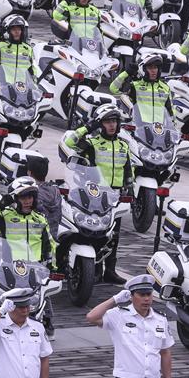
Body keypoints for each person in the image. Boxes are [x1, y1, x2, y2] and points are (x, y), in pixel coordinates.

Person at [62, 103, 132, 283]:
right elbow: (70, 142)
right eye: (108, 121)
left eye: (114, 121)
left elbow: (128, 170)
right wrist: (89, 126)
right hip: (94, 193)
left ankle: (109, 270)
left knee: (113, 235)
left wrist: (129, 187)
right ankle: (90, 267)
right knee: (91, 229)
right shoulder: (92, 144)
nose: (112, 125)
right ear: (101, 124)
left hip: (115, 195)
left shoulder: (123, 145)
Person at [0, 177, 57, 266]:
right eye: (23, 198)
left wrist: (53, 267)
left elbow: (50, 246)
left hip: (36, 269)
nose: (27, 201)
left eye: (30, 197)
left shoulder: (40, 219)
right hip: (8, 268)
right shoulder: (4, 215)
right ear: (15, 199)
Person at [110, 52, 173, 122]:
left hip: (159, 129)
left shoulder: (165, 87)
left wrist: (173, 127)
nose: (153, 71)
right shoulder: (135, 85)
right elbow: (113, 89)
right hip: (139, 128)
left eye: (155, 67)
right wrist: (126, 72)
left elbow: (171, 111)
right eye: (150, 68)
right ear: (143, 69)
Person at [0, 14, 34, 83]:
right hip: (4, 86)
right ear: (8, 31)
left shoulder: (28, 48)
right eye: (14, 29)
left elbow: (32, 68)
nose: (17, 32)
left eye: (19, 29)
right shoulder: (1, 46)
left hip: (23, 87)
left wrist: (34, 82)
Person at [26, 155, 61, 237]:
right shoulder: (55, 190)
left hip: (35, 239)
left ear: (29, 173)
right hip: (52, 237)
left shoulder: (32, 194)